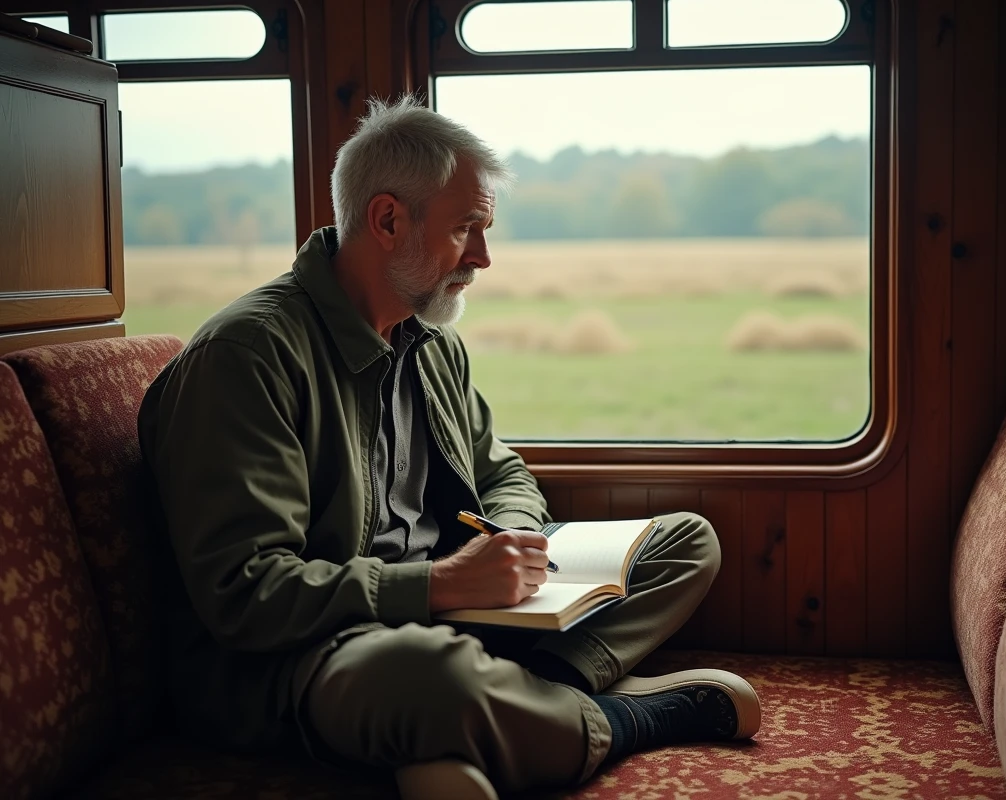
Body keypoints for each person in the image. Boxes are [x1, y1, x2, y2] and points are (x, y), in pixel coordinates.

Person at [138, 96, 761, 799]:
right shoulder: (246, 356)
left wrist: (518, 537)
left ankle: (517, 703)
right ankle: (616, 718)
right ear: (386, 219)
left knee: (687, 542)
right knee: (432, 674)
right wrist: (438, 586)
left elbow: (503, 471)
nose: (485, 258)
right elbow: (246, 593)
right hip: (308, 656)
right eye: (468, 228)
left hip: (459, 610)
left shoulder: (432, 341)